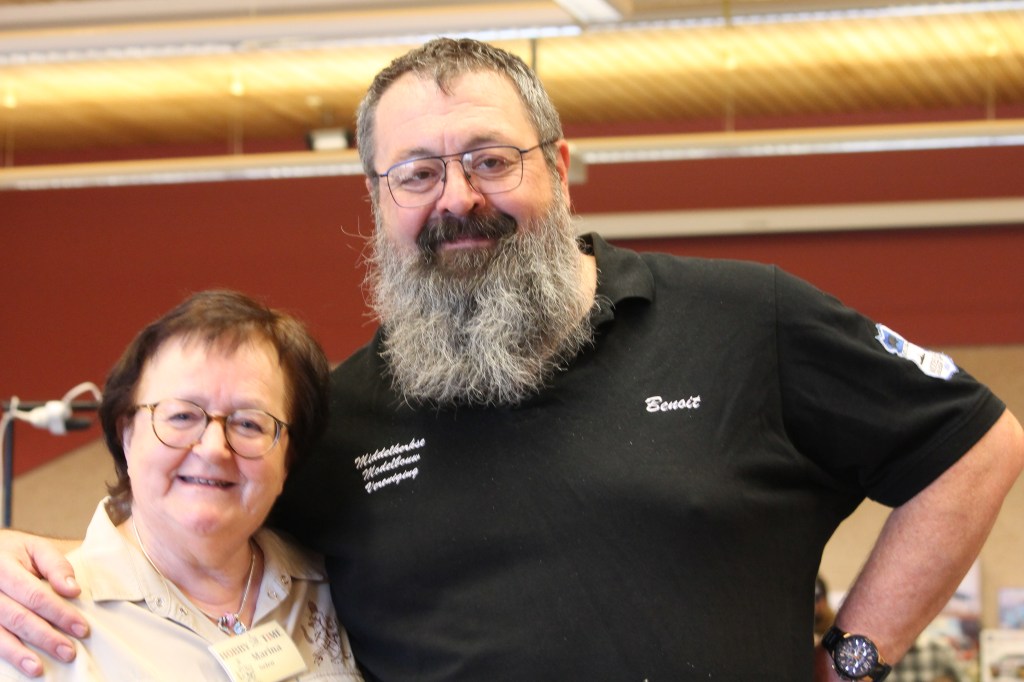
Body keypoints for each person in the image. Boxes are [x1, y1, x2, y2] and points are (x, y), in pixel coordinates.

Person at [0, 37, 1022, 681]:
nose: (457, 199)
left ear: (559, 168)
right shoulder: (335, 418)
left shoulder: (744, 318)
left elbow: (976, 446)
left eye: (490, 159)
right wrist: (28, 559)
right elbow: (195, 529)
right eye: (417, 173)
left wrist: (854, 660)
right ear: (378, 202)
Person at [0, 290, 363, 680]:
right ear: (126, 434)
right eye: (182, 416)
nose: (213, 448)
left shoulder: (338, 588)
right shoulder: (28, 618)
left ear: (288, 459)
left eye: (249, 424)